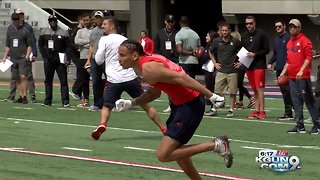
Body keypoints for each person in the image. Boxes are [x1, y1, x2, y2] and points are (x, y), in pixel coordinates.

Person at [115, 39, 231, 179]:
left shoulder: (148, 69)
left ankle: (216, 144)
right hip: (181, 106)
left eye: (121, 55)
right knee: (177, 151)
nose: (118, 58)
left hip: (189, 105)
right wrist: (131, 103)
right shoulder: (149, 62)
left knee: (163, 155)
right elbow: (155, 93)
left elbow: (181, 78)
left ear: (134, 56)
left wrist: (211, 95)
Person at [91, 16, 166, 140]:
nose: (102, 26)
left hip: (113, 79)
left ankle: (102, 124)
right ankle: (164, 128)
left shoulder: (104, 40)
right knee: (145, 104)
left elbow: (98, 60)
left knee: (106, 106)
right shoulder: (125, 39)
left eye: (105, 24)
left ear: (112, 26)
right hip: (130, 77)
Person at [280, 19, 320, 134]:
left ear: (299, 28)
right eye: (290, 27)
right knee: (296, 102)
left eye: (294, 27)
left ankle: (317, 124)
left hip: (302, 77)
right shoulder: (289, 42)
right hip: (292, 77)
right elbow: (288, 61)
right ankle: (299, 125)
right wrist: (283, 73)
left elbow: (309, 57)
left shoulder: (305, 41)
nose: (292, 29)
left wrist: (302, 71)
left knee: (308, 100)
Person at [209, 22, 242, 117]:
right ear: (220, 31)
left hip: (232, 70)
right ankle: (214, 108)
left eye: (226, 30)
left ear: (229, 31)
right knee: (217, 91)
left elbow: (244, 52)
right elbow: (211, 52)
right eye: (223, 30)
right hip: (221, 70)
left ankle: (231, 109)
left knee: (232, 92)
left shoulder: (235, 41)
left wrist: (240, 62)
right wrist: (215, 63)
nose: (224, 32)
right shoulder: (216, 41)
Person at [4, 8, 37, 103]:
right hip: (14, 56)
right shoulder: (10, 29)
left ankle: (30, 96)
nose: (16, 20)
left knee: (25, 76)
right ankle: (18, 95)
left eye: (20, 16)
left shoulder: (26, 28)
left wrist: (31, 54)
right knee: (16, 77)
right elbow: (8, 44)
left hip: (23, 56)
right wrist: (5, 55)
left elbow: (31, 42)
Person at [241, 16, 270, 119]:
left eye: (251, 23)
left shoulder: (262, 34)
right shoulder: (244, 36)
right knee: (254, 89)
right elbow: (243, 50)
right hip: (249, 66)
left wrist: (255, 54)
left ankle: (262, 111)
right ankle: (256, 110)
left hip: (259, 65)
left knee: (259, 88)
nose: (249, 25)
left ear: (255, 23)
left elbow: (267, 49)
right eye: (247, 24)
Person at [38, 15, 70, 107]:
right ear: (48, 22)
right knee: (48, 80)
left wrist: (66, 57)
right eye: (51, 21)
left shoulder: (63, 32)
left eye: (54, 21)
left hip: (60, 59)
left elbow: (68, 46)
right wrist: (44, 55)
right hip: (48, 59)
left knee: (63, 81)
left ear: (57, 21)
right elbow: (40, 45)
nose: (52, 22)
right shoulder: (44, 32)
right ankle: (48, 100)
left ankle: (65, 101)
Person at [267, 19, 294, 121]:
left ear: (284, 26)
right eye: (276, 27)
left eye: (279, 26)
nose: (277, 28)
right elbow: (275, 54)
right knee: (284, 92)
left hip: (288, 69)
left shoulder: (289, 38)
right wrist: (270, 62)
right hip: (279, 69)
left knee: (289, 92)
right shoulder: (276, 39)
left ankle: (291, 112)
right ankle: (289, 113)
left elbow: (290, 54)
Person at [154, 14, 179, 113]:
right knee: (167, 84)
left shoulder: (177, 33)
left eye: (172, 22)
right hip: (163, 62)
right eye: (168, 22)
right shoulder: (160, 33)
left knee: (176, 83)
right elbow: (156, 47)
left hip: (174, 61)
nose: (170, 24)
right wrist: (159, 59)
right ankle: (171, 104)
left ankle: (176, 103)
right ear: (165, 22)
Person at [85, 11, 106, 112]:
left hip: (106, 58)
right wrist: (88, 59)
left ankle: (110, 102)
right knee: (96, 82)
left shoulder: (106, 30)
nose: (98, 20)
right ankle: (97, 103)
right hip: (94, 58)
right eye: (96, 18)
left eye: (99, 18)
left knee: (111, 81)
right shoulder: (93, 32)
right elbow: (91, 46)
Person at [231, 31, 255, 109]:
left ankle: (250, 98)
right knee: (240, 84)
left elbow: (245, 55)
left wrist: (240, 62)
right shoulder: (235, 45)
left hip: (241, 66)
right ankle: (241, 101)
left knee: (239, 84)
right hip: (239, 66)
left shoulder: (240, 45)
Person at [74, 13, 93, 107]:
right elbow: (76, 41)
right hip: (82, 57)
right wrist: (88, 42)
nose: (85, 22)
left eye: (87, 20)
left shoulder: (94, 31)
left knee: (98, 80)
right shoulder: (80, 31)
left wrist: (86, 44)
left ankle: (100, 100)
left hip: (93, 58)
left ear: (91, 20)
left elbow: (94, 44)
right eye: (84, 20)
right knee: (84, 80)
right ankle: (85, 99)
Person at [202, 30, 219, 116]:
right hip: (207, 69)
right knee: (209, 89)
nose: (206, 37)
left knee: (211, 90)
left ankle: (213, 108)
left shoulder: (214, 47)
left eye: (208, 36)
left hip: (211, 70)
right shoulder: (208, 45)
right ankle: (212, 106)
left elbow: (209, 57)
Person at [69, 14, 84, 101]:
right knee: (81, 72)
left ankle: (78, 91)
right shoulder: (75, 30)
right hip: (75, 55)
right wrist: (77, 48)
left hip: (81, 55)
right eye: (83, 20)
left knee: (81, 72)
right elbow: (71, 42)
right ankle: (75, 90)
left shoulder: (83, 31)